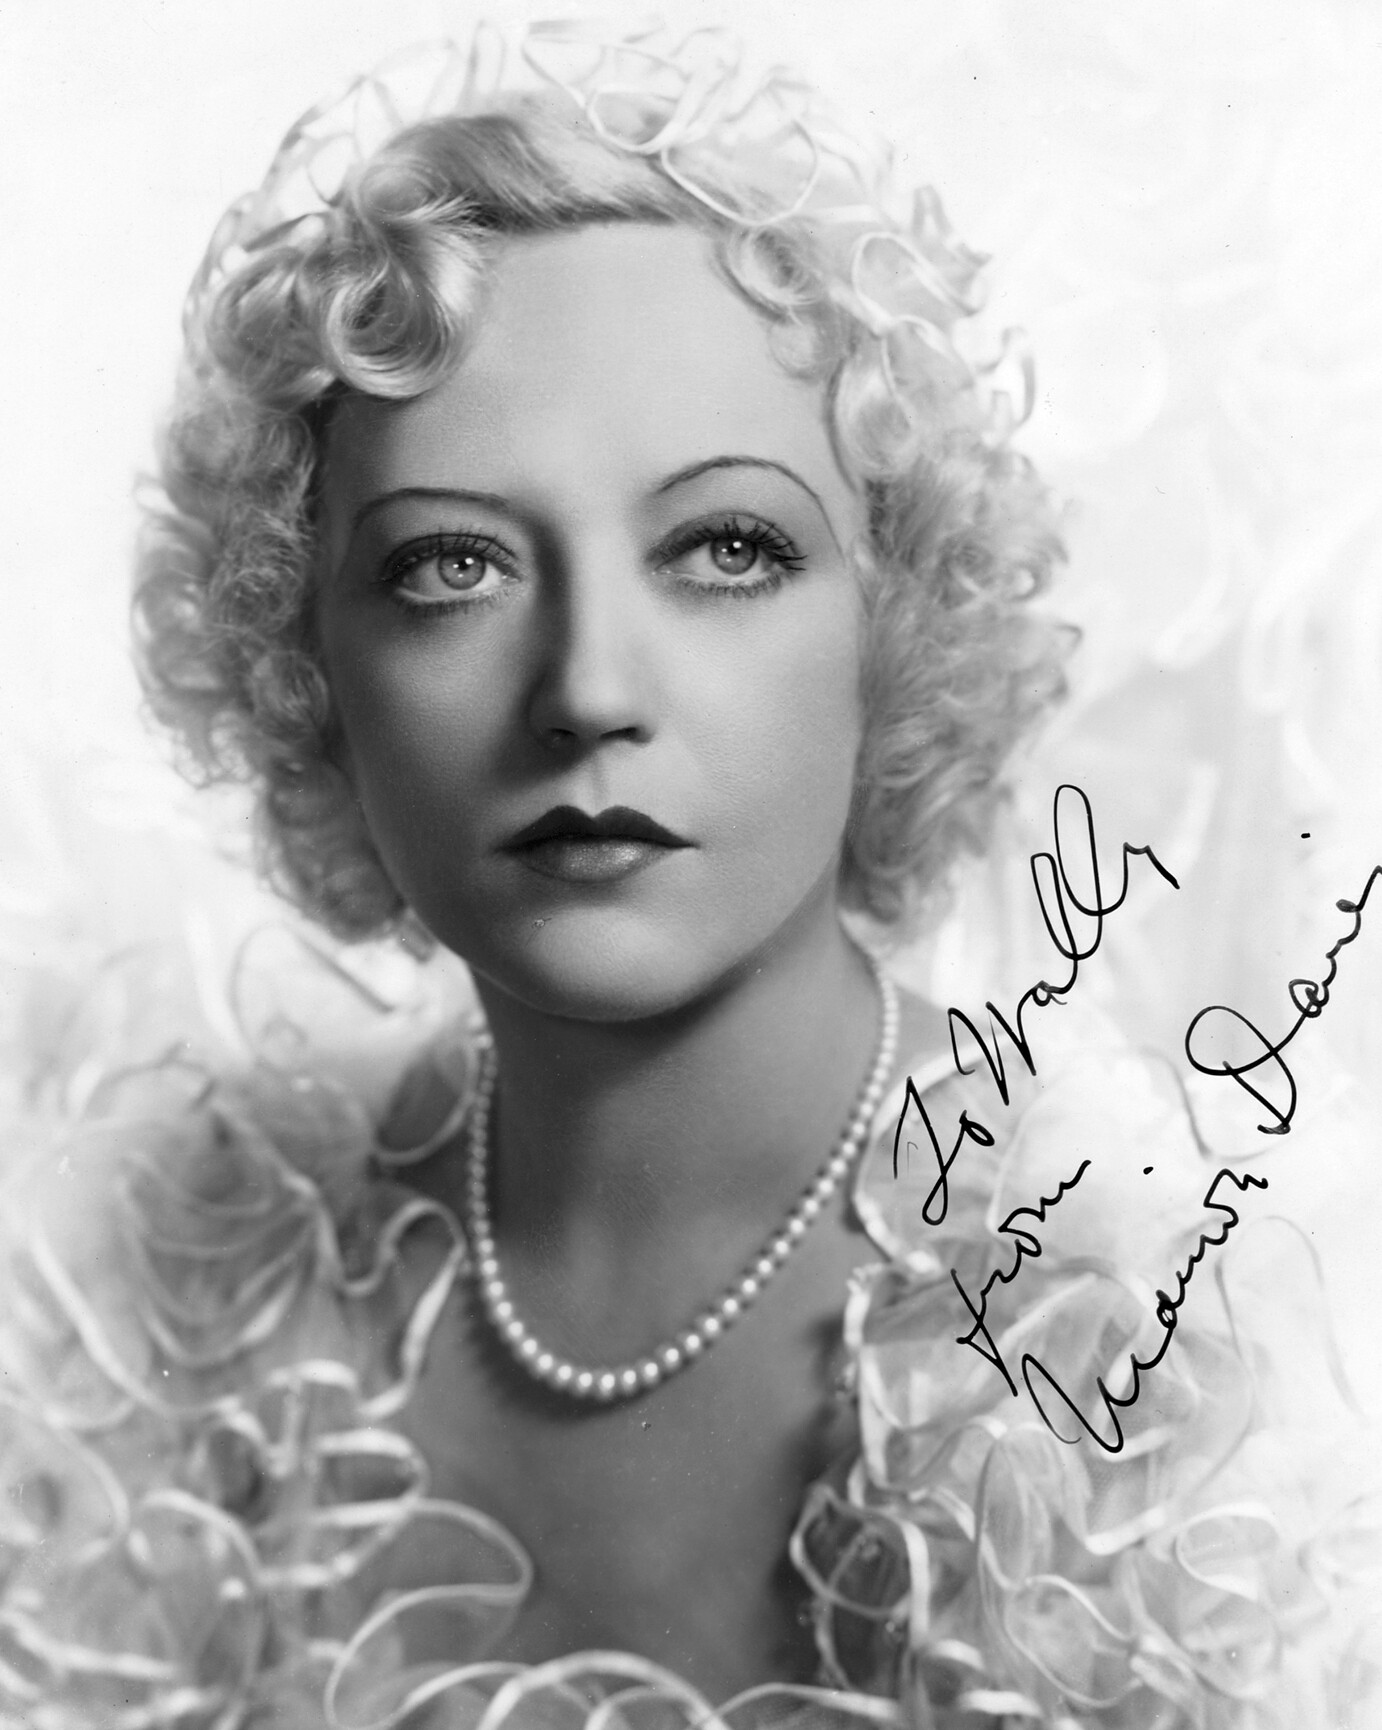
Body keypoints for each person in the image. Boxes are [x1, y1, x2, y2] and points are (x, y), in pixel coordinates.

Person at [0, 21, 1373, 1730]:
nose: (586, 686)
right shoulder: (165, 1307)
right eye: (451, 564)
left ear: (891, 628)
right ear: (306, 661)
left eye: (725, 546)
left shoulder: (1178, 1350)